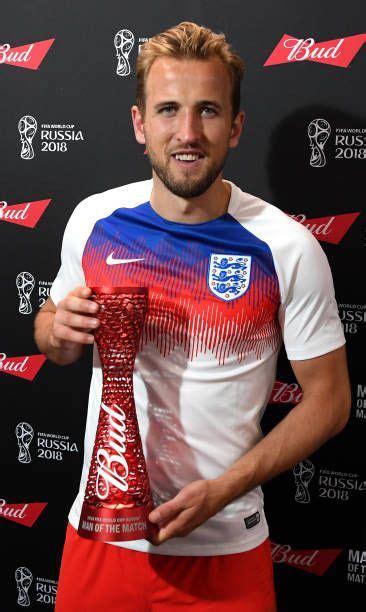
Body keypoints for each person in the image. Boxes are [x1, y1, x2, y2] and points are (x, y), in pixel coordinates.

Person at [34, 21, 350, 612]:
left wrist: (224, 492)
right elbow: (53, 332)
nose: (187, 133)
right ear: (139, 124)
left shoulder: (286, 247)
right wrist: (55, 329)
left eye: (207, 111)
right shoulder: (93, 221)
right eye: (168, 110)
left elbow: (330, 401)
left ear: (235, 128)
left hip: (225, 552)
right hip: (101, 539)